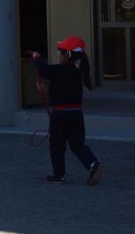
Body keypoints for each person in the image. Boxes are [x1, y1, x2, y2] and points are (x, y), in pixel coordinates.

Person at [32, 36, 103, 186]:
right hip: (76, 113)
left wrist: (37, 57)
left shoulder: (60, 70)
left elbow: (43, 69)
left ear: (66, 55)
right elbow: (61, 86)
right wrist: (46, 88)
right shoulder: (77, 72)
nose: (58, 54)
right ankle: (93, 163)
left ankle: (59, 175)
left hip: (60, 115)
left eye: (60, 51)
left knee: (57, 145)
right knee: (78, 144)